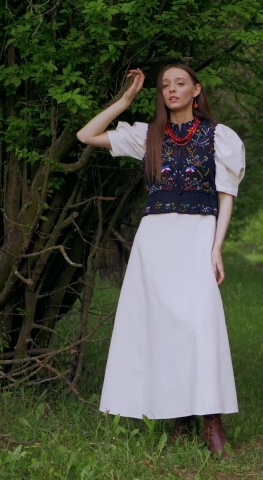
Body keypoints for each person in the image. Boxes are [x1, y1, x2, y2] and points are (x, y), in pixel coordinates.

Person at [76, 64, 246, 459]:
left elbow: (226, 196)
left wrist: (216, 248)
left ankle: (212, 422)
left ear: (196, 91)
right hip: (155, 242)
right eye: (165, 85)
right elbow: (86, 134)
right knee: (166, 329)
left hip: (198, 238)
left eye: (180, 83)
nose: (172, 90)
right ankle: (178, 421)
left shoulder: (220, 137)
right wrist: (125, 100)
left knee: (201, 325)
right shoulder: (148, 135)